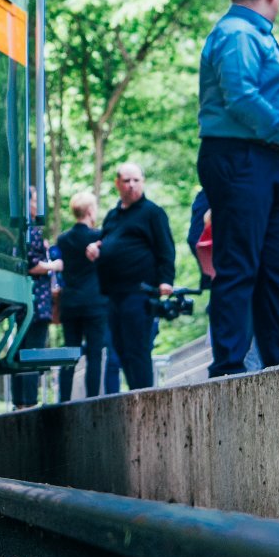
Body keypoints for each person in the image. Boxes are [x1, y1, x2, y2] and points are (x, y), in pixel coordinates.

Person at [197, 0, 279, 378]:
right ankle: (228, 367)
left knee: (275, 268)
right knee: (240, 264)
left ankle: (278, 362)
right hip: (239, 157)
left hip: (265, 161)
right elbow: (239, 95)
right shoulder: (238, 33)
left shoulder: (253, 33)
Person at [95, 163, 175, 392]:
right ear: (117, 183)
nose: (131, 185)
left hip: (139, 292)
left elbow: (165, 249)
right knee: (119, 348)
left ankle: (144, 396)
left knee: (137, 348)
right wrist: (96, 249)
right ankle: (134, 394)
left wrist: (165, 280)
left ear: (143, 182)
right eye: (127, 181)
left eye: (136, 180)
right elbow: (106, 242)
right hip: (113, 293)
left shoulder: (152, 213)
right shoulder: (112, 216)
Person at [54, 191, 107, 400]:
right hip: (94, 302)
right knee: (94, 355)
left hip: (71, 302)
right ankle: (93, 399)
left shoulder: (63, 239)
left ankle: (64, 399)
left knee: (70, 352)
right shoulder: (98, 237)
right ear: (91, 210)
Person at [17, 189, 56, 407]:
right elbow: (32, 264)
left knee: (23, 349)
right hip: (37, 300)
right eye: (34, 200)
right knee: (33, 352)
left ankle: (20, 400)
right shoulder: (32, 231)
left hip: (25, 300)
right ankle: (29, 401)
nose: (37, 205)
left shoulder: (21, 231)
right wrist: (54, 265)